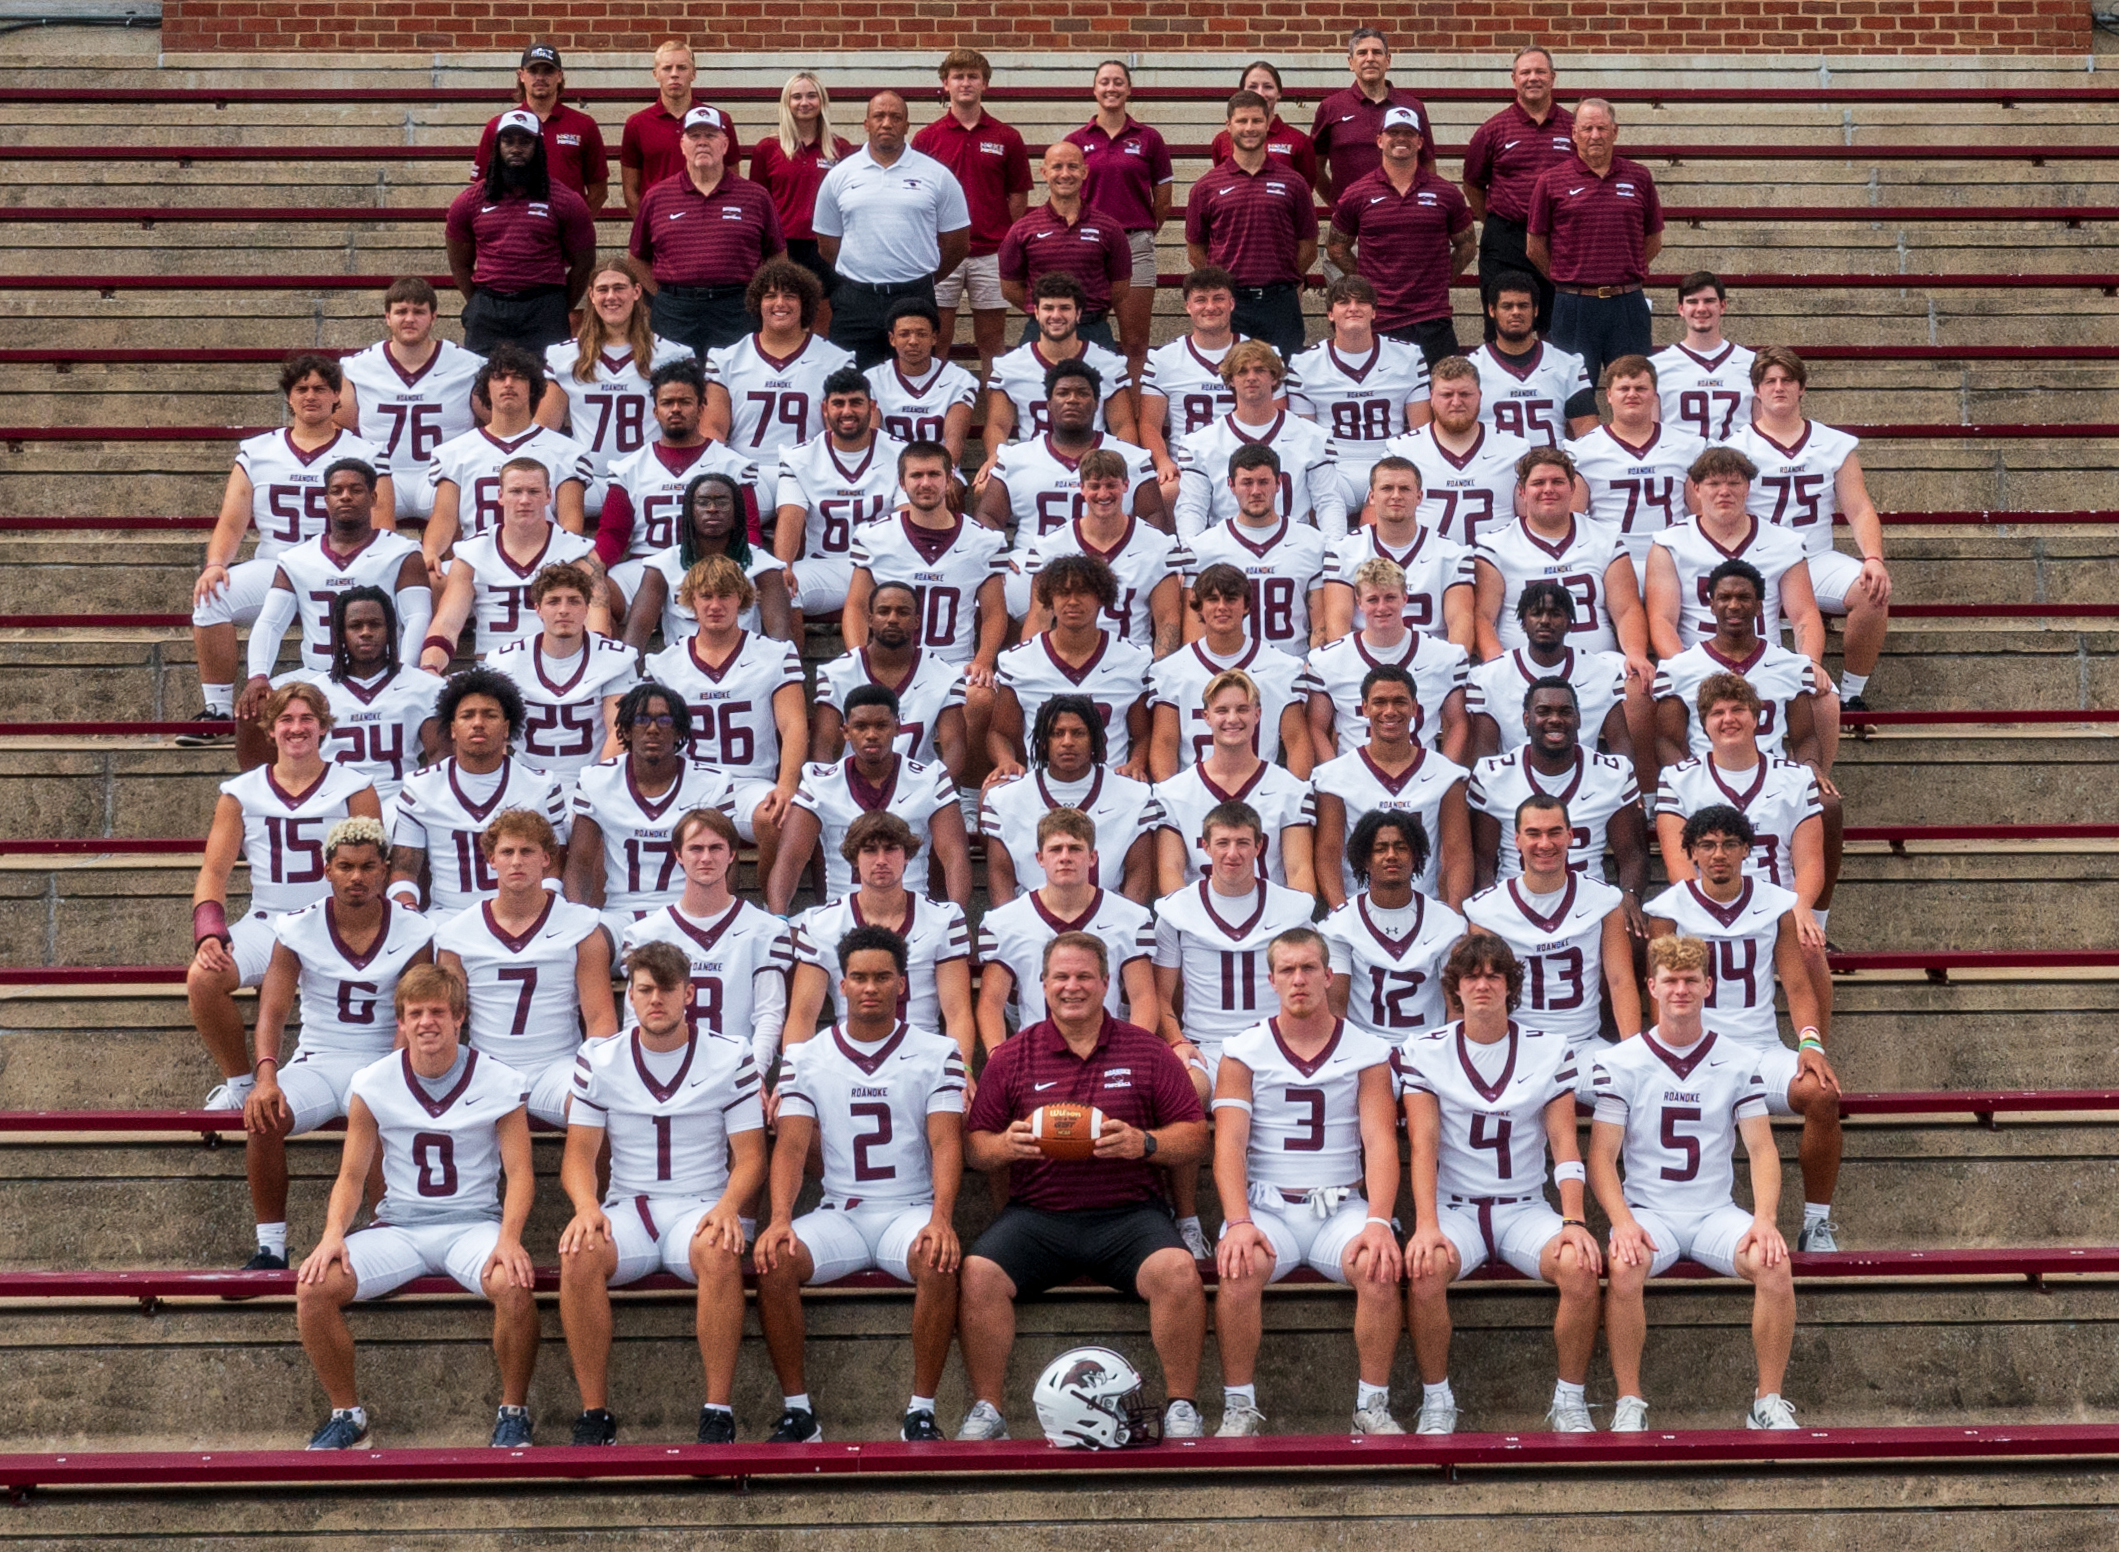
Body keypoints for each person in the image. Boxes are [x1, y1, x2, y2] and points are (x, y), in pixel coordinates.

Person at [958, 931, 1210, 1442]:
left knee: (1179, 1270)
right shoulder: (1012, 1057)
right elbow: (975, 1147)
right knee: (979, 1272)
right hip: (1038, 1216)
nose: (1072, 987)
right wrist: (1006, 1145)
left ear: (1105, 983)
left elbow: (1194, 1136)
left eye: (1083, 977)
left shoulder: (1147, 1051)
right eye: (1061, 977)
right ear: (1043, 984)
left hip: (1128, 1215)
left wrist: (1145, 1143)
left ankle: (1183, 1404)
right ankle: (989, 1409)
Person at [293, 963, 539, 1450]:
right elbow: (352, 1175)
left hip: (472, 1225)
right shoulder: (372, 1081)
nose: (427, 1022)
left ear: (460, 1018)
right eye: (415, 1013)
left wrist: (510, 1238)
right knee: (314, 1285)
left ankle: (514, 1411)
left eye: (438, 1012)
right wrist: (332, 1235)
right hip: (399, 1228)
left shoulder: (499, 1080)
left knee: (514, 1283)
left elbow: (522, 1174)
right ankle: (349, 1416)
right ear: (400, 1022)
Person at [757, 923, 969, 1443]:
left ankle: (921, 1410)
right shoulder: (806, 1055)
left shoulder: (937, 1050)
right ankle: (798, 1411)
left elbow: (946, 1143)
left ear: (902, 984)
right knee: (774, 1259)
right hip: (842, 1211)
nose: (869, 987)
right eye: (858, 977)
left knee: (939, 1257)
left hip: (910, 1208)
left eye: (881, 977)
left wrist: (942, 1218)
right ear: (841, 984)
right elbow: (788, 1145)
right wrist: (780, 1218)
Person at [557, 938, 764, 1446]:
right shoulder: (599, 1058)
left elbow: (752, 1157)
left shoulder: (730, 1055)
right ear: (629, 996)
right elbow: (579, 1155)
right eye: (644, 989)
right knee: (578, 1252)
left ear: (689, 993)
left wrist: (728, 1208)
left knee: (719, 1249)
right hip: (630, 1207)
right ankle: (594, 1413)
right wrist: (586, 1206)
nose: (656, 1000)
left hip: (700, 1205)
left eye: (667, 989)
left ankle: (717, 1410)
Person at [1590, 934, 1801, 1431]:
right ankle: (1628, 1401)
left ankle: (1767, 1401)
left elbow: (1762, 1149)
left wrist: (1765, 1219)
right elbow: (1601, 1156)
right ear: (1651, 987)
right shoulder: (1622, 1061)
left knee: (1774, 1263)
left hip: (1714, 1213)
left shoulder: (1737, 1059)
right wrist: (1621, 1222)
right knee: (1623, 1264)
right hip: (1650, 1212)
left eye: (1689, 980)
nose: (1680, 990)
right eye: (1670, 981)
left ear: (1708, 985)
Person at [1397, 931, 1602, 1435]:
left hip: (1524, 1208)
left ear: (1511, 985)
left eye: (1494, 974)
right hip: (1456, 1209)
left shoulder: (1550, 1049)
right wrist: (1426, 1225)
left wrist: (1573, 1218)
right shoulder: (1423, 1051)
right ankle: (1437, 1399)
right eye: (1472, 974)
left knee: (1579, 1266)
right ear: (1455, 986)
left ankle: (1571, 1400)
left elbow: (1565, 1144)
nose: (1483, 983)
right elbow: (1422, 1147)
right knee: (1424, 1268)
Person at [1211, 927, 1403, 1437]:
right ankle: (1238, 1405)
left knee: (1381, 1264)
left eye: (1309, 968)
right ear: (1271, 979)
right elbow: (1228, 1146)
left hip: (1340, 1206)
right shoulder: (1242, 1051)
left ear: (1328, 975)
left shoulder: (1366, 1050)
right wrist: (1237, 1221)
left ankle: (1373, 1404)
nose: (1299, 979)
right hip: (1268, 1206)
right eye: (1288, 970)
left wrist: (1379, 1220)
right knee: (1237, 1265)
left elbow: (1380, 1142)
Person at [1644, 804, 1843, 1251]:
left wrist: (1811, 1044)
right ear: (1691, 852)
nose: (1719, 854)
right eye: (1708, 845)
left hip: (1758, 1047)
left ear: (1746, 850)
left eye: (1730, 844)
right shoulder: (1667, 909)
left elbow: (1795, 983)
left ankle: (1816, 1223)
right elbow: (1659, 996)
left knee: (1822, 1094)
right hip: (1696, 1049)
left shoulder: (1775, 902)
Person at [240, 817, 435, 1270]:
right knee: (264, 1117)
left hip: (381, 1058)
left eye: (368, 866)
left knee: (384, 1112)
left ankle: (381, 1236)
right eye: (346, 866)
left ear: (386, 869)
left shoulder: (413, 930)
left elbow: (411, 1015)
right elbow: (272, 1011)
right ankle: (270, 1245)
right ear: (326, 868)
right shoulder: (296, 928)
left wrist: (392, 1075)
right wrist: (266, 1075)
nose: (357, 877)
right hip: (317, 1059)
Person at [189, 683, 382, 1110]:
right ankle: (240, 1084)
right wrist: (209, 933)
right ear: (270, 729)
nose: (297, 728)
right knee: (203, 978)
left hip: (334, 922)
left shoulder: (355, 787)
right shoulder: (239, 793)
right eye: (286, 720)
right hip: (269, 920)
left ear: (324, 727)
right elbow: (214, 872)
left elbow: (373, 868)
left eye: (307, 719)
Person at [186, 356, 394, 734]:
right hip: (276, 563)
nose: (310, 396)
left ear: (336, 397)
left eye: (319, 388)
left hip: (342, 564)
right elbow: (232, 521)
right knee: (211, 596)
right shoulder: (257, 450)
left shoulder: (366, 452)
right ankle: (216, 708)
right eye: (301, 388)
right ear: (289, 397)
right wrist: (216, 563)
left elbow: (383, 524)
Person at [1655, 673, 1838, 1061]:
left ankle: (1816, 1053)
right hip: (1709, 904)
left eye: (1738, 709)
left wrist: (1799, 907)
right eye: (1717, 712)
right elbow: (1679, 866)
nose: (1728, 719)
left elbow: (1810, 861)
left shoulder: (1794, 777)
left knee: (1808, 946)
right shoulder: (1678, 780)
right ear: (1703, 724)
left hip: (1776, 908)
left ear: (1757, 717)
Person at [1722, 347, 1894, 711]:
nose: (1779, 387)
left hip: (1815, 557)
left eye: (1787, 380)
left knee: (1872, 591)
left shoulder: (1833, 443)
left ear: (1802, 388)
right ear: (1757, 390)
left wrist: (1873, 558)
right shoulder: (1735, 448)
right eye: (1770, 381)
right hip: (1757, 562)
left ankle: (1850, 695)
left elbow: (1859, 507)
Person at [234, 459, 428, 763]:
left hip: (379, 670)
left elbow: (417, 617)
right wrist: (258, 675)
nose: (346, 496)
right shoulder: (297, 558)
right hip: (318, 672)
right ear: (326, 500)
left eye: (355, 489)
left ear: (374, 497)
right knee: (254, 708)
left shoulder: (402, 552)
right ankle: (266, 796)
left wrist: (404, 669)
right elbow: (271, 622)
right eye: (337, 490)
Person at [434, 808, 617, 1126]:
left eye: (527, 851)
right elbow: (447, 1018)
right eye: (507, 852)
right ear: (492, 859)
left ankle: (589, 1179)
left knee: (597, 1104)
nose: (516, 861)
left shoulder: (581, 927)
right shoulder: (457, 934)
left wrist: (594, 1073)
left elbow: (600, 1018)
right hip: (487, 1067)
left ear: (547, 858)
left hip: (556, 1065)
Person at [641, 555, 808, 881]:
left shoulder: (775, 654)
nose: (715, 605)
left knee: (777, 816)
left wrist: (787, 784)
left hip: (750, 782)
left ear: (742, 599)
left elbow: (794, 725)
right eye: (706, 596)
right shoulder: (664, 664)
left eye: (725, 595)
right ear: (689, 601)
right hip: (689, 784)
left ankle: (771, 910)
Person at [1462, 793, 1643, 1089]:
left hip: (1582, 1045)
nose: (1545, 844)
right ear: (1516, 840)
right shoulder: (1486, 910)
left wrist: (1634, 1051)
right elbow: (1482, 991)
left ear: (1571, 836)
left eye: (1555, 833)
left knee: (1631, 1087)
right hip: (1515, 1047)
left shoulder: (1604, 899)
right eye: (1533, 834)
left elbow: (1620, 979)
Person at [844, 442, 1011, 760]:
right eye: (916, 475)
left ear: (950, 480)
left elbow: (994, 613)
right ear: (901, 482)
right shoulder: (874, 537)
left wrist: (984, 660)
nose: (925, 483)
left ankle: (967, 798)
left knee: (981, 695)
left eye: (934, 474)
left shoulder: (984, 541)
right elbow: (855, 605)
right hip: (889, 661)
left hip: (952, 664)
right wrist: (857, 657)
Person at [1646, 452, 1827, 725]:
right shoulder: (1670, 543)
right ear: (1695, 488)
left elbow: (1804, 614)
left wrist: (1810, 662)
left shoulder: (1783, 542)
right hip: (1698, 658)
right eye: (1714, 483)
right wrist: (1686, 668)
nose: (1724, 492)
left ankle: (1814, 770)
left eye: (1734, 483)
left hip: (1766, 661)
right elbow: (1661, 620)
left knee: (1825, 697)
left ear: (1748, 487)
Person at [979, 360, 1161, 622]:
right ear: (1049, 404)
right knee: (1000, 587)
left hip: (1109, 563)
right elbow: (988, 516)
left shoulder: (1132, 457)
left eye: (1083, 393)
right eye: (1063, 393)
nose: (1072, 400)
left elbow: (1153, 516)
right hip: (1033, 564)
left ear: (1097, 403)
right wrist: (996, 557)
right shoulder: (1015, 457)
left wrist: (1141, 559)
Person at [785, 813, 975, 1065]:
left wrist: (963, 1071)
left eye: (891, 849)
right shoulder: (822, 923)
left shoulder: (943, 919)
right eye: (870, 851)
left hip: (925, 1059)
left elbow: (958, 1013)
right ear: (854, 858)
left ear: (908, 855)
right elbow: (803, 1015)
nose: (881, 860)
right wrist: (790, 1073)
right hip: (848, 1061)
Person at [619, 806, 795, 1077]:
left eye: (715, 848)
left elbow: (768, 1015)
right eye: (695, 848)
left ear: (732, 854)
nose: (705, 858)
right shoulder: (644, 934)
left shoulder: (766, 930)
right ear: (678, 854)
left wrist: (752, 1075)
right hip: (667, 1069)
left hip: (736, 1070)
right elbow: (636, 1020)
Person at [1152, 800, 1316, 1088]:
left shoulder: (1292, 909)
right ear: (1205, 846)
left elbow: (1313, 987)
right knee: (1185, 1094)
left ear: (1259, 846)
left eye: (1242, 843)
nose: (1232, 853)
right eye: (1222, 843)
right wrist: (1178, 1041)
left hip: (1276, 1043)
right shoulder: (1177, 911)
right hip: (1206, 1047)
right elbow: (1160, 996)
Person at [766, 683, 971, 914]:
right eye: (861, 726)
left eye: (881, 726)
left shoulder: (930, 778)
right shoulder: (820, 783)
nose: (871, 735)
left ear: (897, 728)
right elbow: (791, 857)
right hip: (841, 916)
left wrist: (958, 917)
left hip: (913, 914)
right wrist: (779, 918)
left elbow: (955, 854)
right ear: (845, 731)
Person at [1472, 449, 1652, 708]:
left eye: (1557, 482)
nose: (1548, 489)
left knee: (1637, 680)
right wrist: (1496, 662)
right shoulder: (1496, 545)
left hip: (1595, 661)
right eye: (1538, 483)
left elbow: (1626, 609)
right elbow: (1482, 617)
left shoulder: (1604, 539)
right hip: (1523, 662)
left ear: (1572, 487)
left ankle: (1635, 752)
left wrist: (1635, 654)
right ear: (1522, 491)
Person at [563, 682, 740, 944]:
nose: (653, 729)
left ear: (679, 728)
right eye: (641, 720)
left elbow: (727, 864)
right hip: (619, 914)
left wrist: (710, 917)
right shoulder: (596, 781)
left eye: (664, 720)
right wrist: (577, 920)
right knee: (585, 943)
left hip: (688, 912)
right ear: (624, 728)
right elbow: (579, 864)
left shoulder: (712, 783)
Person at [387, 669, 570, 920]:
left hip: (522, 914)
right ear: (452, 728)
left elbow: (552, 870)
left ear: (507, 728)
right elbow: (404, 872)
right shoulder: (420, 788)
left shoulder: (542, 786)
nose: (477, 723)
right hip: (447, 917)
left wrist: (540, 913)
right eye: (467, 715)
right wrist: (410, 915)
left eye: (490, 715)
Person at [974, 808, 1162, 1050]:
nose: (1065, 857)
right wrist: (999, 1062)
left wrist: (1132, 1061)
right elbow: (990, 1004)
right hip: (1035, 1058)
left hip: (1108, 1054)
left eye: (1074, 848)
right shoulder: (1004, 922)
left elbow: (1143, 998)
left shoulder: (1131, 918)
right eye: (1055, 849)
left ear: (1092, 857)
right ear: (1040, 858)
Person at [598, 361, 772, 617]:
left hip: (711, 565)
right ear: (655, 411)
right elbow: (613, 534)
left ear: (701, 408)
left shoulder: (733, 465)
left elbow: (749, 531)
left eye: (685, 402)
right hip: (645, 563)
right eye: (668, 403)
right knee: (593, 591)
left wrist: (737, 569)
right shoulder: (629, 467)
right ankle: (612, 658)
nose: (676, 409)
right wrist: (590, 566)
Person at [813, 91, 972, 369]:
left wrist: (922, 278)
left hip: (914, 296)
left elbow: (957, 244)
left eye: (896, 117)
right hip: (855, 300)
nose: (887, 123)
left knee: (915, 381)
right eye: (879, 116)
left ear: (907, 126)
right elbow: (828, 246)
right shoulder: (839, 175)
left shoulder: (936, 175)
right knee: (851, 384)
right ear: (866, 123)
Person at [536, 264, 697, 522]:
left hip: (649, 477)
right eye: (603, 289)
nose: (611, 296)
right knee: (528, 497)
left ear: (636, 292)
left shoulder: (673, 355)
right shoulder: (563, 356)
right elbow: (545, 426)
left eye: (619, 288)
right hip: (588, 479)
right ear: (591, 295)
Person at [1526, 99, 1663, 391]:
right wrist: (1571, 276)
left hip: (1628, 304)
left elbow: (1653, 239)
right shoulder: (1551, 181)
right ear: (1573, 133)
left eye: (1602, 128)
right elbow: (1535, 247)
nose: (1595, 135)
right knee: (1573, 394)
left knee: (1635, 389)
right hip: (1573, 306)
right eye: (1587, 128)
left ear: (1615, 131)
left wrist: (1626, 268)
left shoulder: (1639, 177)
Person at [1468, 678, 1648, 899]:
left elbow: (1632, 855)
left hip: (1589, 904)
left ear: (1578, 719)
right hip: (1513, 905)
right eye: (1543, 711)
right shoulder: (1493, 775)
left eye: (1565, 712)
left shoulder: (1613, 773)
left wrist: (1629, 896)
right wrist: (1491, 908)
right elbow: (1481, 861)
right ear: (1527, 719)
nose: (1555, 719)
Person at [1322, 107, 1475, 366]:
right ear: (1380, 140)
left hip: (1433, 320)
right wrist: (1367, 282)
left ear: (1420, 141)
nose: (1401, 138)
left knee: (1441, 400)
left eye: (1408, 132)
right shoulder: (1357, 193)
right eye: (1393, 132)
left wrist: (1441, 278)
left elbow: (1467, 245)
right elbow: (1336, 246)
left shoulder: (1445, 193)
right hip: (1381, 320)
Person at [629, 108, 786, 358]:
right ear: (682, 145)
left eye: (711, 135)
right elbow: (637, 258)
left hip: (737, 309)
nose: (702, 142)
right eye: (694, 136)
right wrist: (663, 298)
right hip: (674, 311)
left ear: (725, 144)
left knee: (732, 384)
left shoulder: (755, 196)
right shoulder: (657, 196)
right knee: (675, 385)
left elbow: (777, 257)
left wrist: (758, 297)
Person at [1310, 664, 1471, 910]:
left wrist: (1454, 913)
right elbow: (1328, 855)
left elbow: (1457, 855)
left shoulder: (1446, 774)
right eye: (1379, 702)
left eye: (1399, 702)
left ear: (1415, 708)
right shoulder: (1334, 776)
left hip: (1426, 910)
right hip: (1358, 910)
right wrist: (1342, 914)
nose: (1389, 711)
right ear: (1364, 708)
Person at [422, 345, 593, 572]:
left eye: (518, 378)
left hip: (542, 560)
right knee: (433, 576)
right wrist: (431, 552)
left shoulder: (567, 452)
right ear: (485, 388)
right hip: (477, 561)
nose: (508, 384)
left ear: (533, 387)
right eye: (499, 377)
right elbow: (444, 519)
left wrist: (557, 561)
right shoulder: (455, 452)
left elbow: (570, 526)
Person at [287, 587, 445, 831]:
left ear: (390, 629)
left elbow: (439, 758)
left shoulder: (425, 687)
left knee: (418, 823)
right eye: (355, 626)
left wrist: (420, 797)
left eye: (375, 624)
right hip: (334, 800)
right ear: (340, 633)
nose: (366, 633)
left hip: (399, 799)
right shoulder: (314, 692)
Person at [913, 48, 1031, 374]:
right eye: (958, 76)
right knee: (937, 339)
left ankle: (995, 413)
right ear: (945, 83)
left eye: (972, 77)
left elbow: (1017, 195)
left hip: (990, 253)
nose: (965, 83)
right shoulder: (926, 138)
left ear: (985, 83)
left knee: (991, 342)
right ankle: (932, 412)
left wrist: (1007, 241)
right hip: (940, 252)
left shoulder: (1007, 136)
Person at [421, 459, 603, 670]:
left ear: (548, 495)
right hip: (493, 675)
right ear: (500, 495)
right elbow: (447, 625)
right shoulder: (472, 553)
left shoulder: (578, 553)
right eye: (516, 491)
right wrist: (430, 667)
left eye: (533, 491)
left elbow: (597, 623)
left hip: (559, 669)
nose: (524, 500)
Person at [981, 693, 1161, 905]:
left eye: (1078, 733)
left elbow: (1138, 880)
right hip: (1032, 924)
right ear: (1043, 741)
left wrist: (1122, 926)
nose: (1067, 742)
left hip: (1108, 924)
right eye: (1057, 733)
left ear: (1095, 739)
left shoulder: (1135, 798)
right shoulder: (1004, 800)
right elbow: (1000, 881)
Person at [446, 108, 597, 356]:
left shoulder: (566, 201)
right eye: (508, 140)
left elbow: (584, 263)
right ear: (496, 147)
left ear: (538, 147)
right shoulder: (468, 201)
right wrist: (478, 303)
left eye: (525, 141)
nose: (516, 149)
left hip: (544, 308)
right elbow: (459, 264)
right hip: (489, 310)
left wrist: (558, 306)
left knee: (547, 386)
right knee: (484, 386)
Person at [1653, 561, 1828, 772]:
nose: (1734, 605)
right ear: (1712, 605)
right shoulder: (1679, 669)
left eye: (1743, 598)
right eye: (1724, 598)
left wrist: (1812, 769)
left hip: (1772, 781)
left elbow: (1805, 739)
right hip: (1706, 779)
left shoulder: (1790, 666)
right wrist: (1687, 782)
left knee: (1827, 803)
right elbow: (1666, 742)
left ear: (1759, 606)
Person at [989, 555, 1154, 778]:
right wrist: (1006, 760)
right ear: (1050, 599)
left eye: (1083, 592)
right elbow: (999, 733)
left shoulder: (1133, 660)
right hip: (1041, 783)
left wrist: (1136, 763)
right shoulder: (1018, 661)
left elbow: (1144, 735)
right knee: (994, 790)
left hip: (1111, 784)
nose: (1073, 601)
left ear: (1101, 598)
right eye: (1064, 593)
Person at [336, 277, 484, 523]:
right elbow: (339, 427)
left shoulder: (468, 365)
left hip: (445, 474)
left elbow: (496, 420)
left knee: (459, 512)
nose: (409, 319)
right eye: (401, 311)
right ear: (387, 317)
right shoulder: (358, 367)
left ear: (434, 316)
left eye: (419, 311)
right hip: (381, 474)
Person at [1146, 562, 1314, 780]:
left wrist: (1291, 796)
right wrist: (1172, 798)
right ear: (1199, 607)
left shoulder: (1282, 668)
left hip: (1261, 794)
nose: (1222, 606)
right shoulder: (1170, 671)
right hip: (1195, 796)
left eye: (1231, 598)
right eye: (1213, 599)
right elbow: (1164, 744)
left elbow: (1297, 741)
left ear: (1246, 606)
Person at [1154, 670, 1316, 894]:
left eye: (1242, 709)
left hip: (1272, 919)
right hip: (1199, 920)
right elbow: (1170, 871)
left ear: (1257, 715)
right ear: (1206, 716)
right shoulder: (1174, 793)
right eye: (1222, 710)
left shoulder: (1291, 790)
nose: (1232, 719)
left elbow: (1299, 871)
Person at [1184, 90, 1317, 360]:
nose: (1249, 128)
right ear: (1228, 125)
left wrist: (1282, 279)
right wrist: (1224, 286)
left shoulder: (1294, 183)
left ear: (1268, 123)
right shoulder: (1206, 186)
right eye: (1242, 121)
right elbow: (1195, 250)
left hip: (1280, 303)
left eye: (1256, 121)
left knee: (1286, 379)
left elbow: (1308, 246)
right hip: (1231, 303)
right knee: (1229, 381)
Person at [1017, 447, 1185, 656]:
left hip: (1131, 666)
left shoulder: (1159, 546)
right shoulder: (1052, 545)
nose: (1103, 494)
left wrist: (1158, 676)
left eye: (1111, 485)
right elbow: (1039, 618)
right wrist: (1031, 664)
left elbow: (1167, 621)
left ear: (1125, 485)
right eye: (1095, 486)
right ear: (1082, 488)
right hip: (1069, 662)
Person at [1066, 60, 1174, 386]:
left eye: (1118, 82)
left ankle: (1134, 416)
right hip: (1087, 247)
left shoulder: (1149, 139)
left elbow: (1163, 199)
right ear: (1094, 89)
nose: (1111, 88)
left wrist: (1138, 230)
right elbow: (1066, 194)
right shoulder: (1075, 140)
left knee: (1135, 342)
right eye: (1104, 82)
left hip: (1135, 246)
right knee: (1081, 338)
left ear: (1129, 89)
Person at [484, 562, 639, 785]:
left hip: (593, 780)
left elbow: (619, 732)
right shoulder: (506, 662)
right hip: (526, 784)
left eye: (574, 601)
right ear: (538, 609)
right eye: (553, 601)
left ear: (587, 608)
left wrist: (595, 789)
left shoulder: (615, 660)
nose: (563, 609)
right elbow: (495, 735)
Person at [1290, 275, 1433, 513]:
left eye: (1362, 302)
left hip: (1390, 464)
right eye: (1344, 302)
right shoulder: (1304, 365)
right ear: (1330, 314)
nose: (1353, 308)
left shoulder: (1408, 357)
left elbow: (1421, 433)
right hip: (1333, 468)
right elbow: (1305, 441)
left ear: (1374, 312)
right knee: (1324, 526)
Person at [774, 366, 907, 618]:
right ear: (825, 408)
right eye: (839, 403)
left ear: (872, 406)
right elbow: (791, 516)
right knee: (780, 590)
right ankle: (789, 659)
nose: (847, 411)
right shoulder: (799, 457)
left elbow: (908, 517)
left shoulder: (901, 454)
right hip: (825, 565)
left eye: (856, 402)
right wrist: (783, 566)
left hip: (884, 566)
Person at [1306, 558, 1469, 762]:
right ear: (1359, 602)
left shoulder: (1445, 657)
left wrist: (1443, 773)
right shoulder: (1328, 660)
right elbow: (1316, 727)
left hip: (1421, 776)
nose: (1382, 607)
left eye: (1390, 597)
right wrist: (1333, 776)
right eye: (1373, 599)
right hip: (1353, 776)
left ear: (1404, 598)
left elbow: (1458, 723)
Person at [1176, 345, 1344, 543]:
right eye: (1242, 371)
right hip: (1226, 549)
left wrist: (1335, 551)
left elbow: (1329, 502)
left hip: (1295, 547)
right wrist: (1190, 554)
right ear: (1230, 379)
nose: (1251, 377)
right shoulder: (1200, 443)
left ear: (1274, 377)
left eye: (1259, 370)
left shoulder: (1312, 437)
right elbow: (1191, 508)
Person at [1463, 46, 1574, 340]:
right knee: (1503, 329)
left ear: (1553, 77)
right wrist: (1495, 221)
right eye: (1525, 72)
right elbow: (1472, 184)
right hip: (1505, 242)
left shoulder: (1574, 128)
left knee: (1556, 331)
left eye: (1540, 71)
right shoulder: (1493, 130)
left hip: (1558, 240)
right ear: (1514, 79)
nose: (1533, 78)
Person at [1320, 810, 1463, 1040]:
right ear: (1364, 859)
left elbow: (1457, 1008)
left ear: (1416, 856)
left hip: (1430, 1049)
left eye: (1401, 847)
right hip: (1365, 1050)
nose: (1391, 855)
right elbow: (1336, 1010)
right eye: (1380, 849)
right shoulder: (1340, 924)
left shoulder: (1446, 922)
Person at [702, 260, 859, 463]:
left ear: (805, 303)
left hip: (810, 469)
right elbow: (713, 427)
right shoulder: (726, 360)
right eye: (770, 296)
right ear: (757, 303)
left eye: (790, 296)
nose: (779, 303)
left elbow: (840, 430)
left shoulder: (837, 361)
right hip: (745, 469)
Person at [1183, 446, 1331, 658]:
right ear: (1231, 485)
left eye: (1263, 482)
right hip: (1227, 672)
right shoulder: (1203, 548)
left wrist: (1311, 670)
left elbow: (1321, 627)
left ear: (1278, 483)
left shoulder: (1313, 543)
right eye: (1246, 482)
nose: (1255, 491)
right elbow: (1194, 629)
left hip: (1291, 668)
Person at [1567, 354, 1706, 578]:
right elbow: (1572, 519)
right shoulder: (1583, 451)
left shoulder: (1687, 446)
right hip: (1610, 560)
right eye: (1624, 388)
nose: (1632, 394)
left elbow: (1700, 512)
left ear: (1654, 395)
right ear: (1609, 396)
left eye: (1640, 388)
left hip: (1674, 557)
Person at [811, 579, 969, 774]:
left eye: (902, 612)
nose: (893, 619)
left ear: (916, 621)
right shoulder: (836, 673)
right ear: (869, 619)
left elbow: (955, 748)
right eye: (884, 611)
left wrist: (935, 793)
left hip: (920, 787)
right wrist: (828, 789)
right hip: (852, 789)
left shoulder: (945, 675)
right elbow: (822, 745)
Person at [620, 470, 793, 649]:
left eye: (722, 502)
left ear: (737, 511)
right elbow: (635, 637)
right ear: (689, 511)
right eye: (703, 503)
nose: (712, 509)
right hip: (681, 668)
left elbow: (780, 639)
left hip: (744, 668)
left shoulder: (763, 566)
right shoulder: (662, 566)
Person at [979, 273, 1136, 467]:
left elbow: (1123, 426)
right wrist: (996, 459)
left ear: (1078, 313)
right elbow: (997, 426)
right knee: (984, 485)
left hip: (1093, 469)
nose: (1056, 315)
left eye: (1064, 308)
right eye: (1048, 308)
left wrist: (1121, 465)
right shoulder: (1011, 365)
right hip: (1032, 467)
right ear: (1036, 312)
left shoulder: (1108, 363)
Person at [1464, 582, 1629, 763]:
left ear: (1569, 622)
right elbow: (1484, 750)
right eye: (1536, 613)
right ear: (1523, 622)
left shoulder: (1602, 673)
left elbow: (1620, 744)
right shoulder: (1489, 676)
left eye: (1555, 614)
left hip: (1586, 782)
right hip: (1515, 783)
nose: (1544, 620)